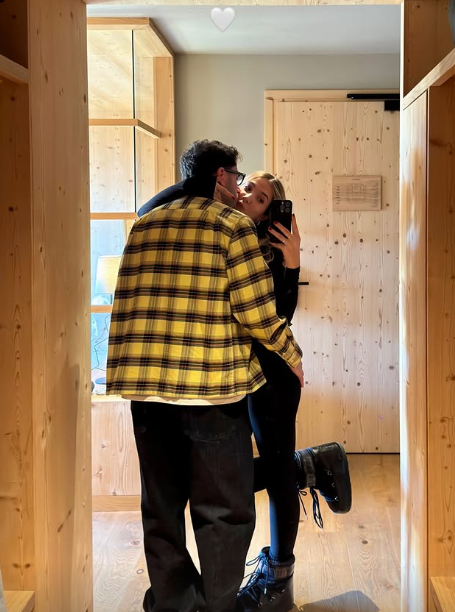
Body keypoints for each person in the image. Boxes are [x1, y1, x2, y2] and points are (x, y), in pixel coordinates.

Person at [107, 140, 304, 612]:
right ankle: (217, 606)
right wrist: (292, 355)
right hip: (212, 393)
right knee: (224, 512)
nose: (239, 187)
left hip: (148, 393)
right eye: (236, 178)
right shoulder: (234, 228)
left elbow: (125, 301)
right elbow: (258, 314)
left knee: (161, 510)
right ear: (221, 177)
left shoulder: (144, 224)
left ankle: (176, 605)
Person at [233, 173, 351, 612]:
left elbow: (282, 314)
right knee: (229, 471)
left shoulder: (270, 251)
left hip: (273, 376)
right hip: (231, 374)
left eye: (261, 197)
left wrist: (293, 261)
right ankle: (306, 467)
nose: (249, 195)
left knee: (271, 476)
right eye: (248, 186)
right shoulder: (224, 233)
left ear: (270, 213)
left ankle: (279, 580)